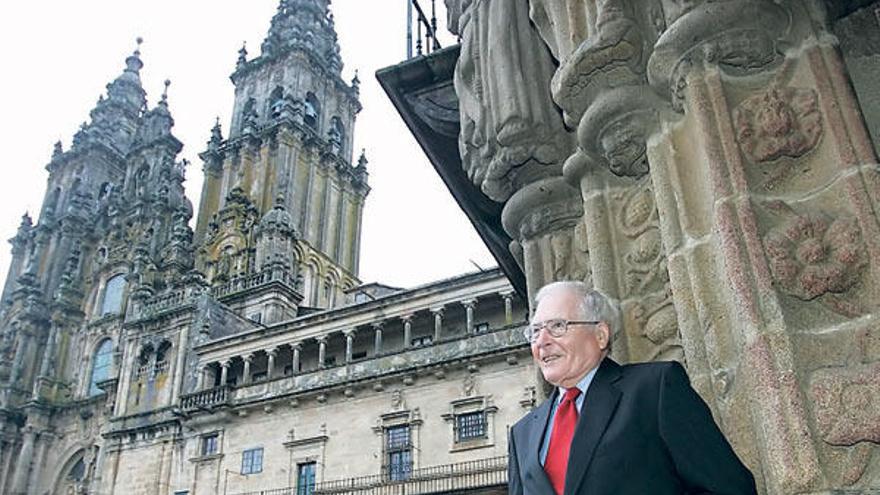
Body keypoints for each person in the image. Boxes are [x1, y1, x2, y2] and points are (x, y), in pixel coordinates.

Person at [508, 281, 757, 495]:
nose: (542, 341)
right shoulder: (522, 433)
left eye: (557, 327)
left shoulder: (654, 389)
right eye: (535, 331)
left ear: (601, 335)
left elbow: (730, 488)